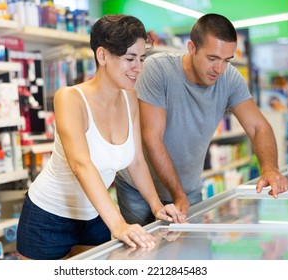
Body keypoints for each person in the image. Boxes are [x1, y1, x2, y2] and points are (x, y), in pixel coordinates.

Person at [16, 14, 185, 260]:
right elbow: (81, 164)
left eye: (141, 58)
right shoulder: (71, 98)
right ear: (103, 56)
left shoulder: (130, 99)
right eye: (129, 59)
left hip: (95, 216)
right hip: (47, 219)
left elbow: (137, 161)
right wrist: (118, 224)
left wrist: (157, 207)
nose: (138, 68)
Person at [115, 13, 288, 226]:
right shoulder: (158, 69)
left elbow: (258, 126)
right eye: (212, 58)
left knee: (194, 254)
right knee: (143, 257)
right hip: (139, 190)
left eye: (227, 60)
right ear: (191, 48)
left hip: (189, 190)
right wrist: (178, 195)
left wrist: (270, 168)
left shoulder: (230, 79)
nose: (219, 69)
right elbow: (152, 138)